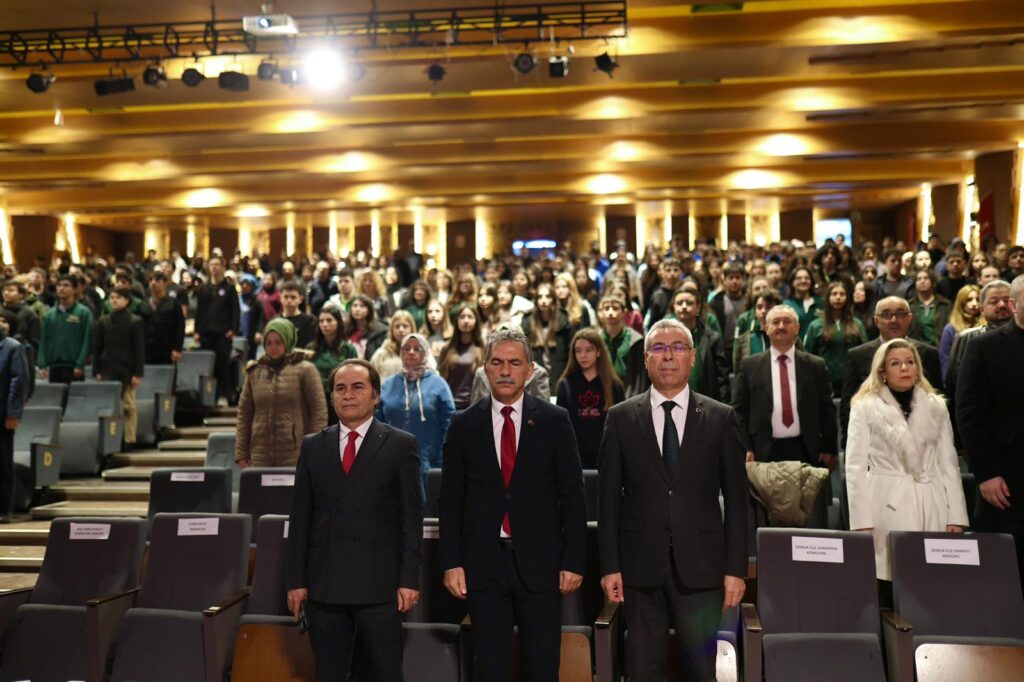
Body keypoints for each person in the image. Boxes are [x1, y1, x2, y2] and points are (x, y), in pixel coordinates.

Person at [598, 318, 747, 681]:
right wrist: (609, 565)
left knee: (699, 669)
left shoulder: (721, 417)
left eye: (678, 347)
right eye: (659, 348)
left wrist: (736, 568)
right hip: (639, 566)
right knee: (642, 668)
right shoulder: (619, 419)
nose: (668, 356)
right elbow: (607, 501)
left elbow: (738, 501)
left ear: (692, 357)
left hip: (702, 568)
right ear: (646, 358)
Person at [439, 326, 586, 682]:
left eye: (514, 363)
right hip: (482, 567)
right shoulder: (462, 424)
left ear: (529, 370)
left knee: (542, 666)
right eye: (497, 363)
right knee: (489, 668)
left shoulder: (555, 420)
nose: (505, 371)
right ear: (485, 369)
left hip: (542, 565)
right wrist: (452, 563)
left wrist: (574, 561)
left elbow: (573, 496)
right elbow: (451, 500)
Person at [286, 359, 423, 682]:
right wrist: (296, 581)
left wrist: (409, 579)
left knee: (385, 673)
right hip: (325, 587)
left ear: (375, 396)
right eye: (340, 388)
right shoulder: (312, 446)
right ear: (332, 396)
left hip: (379, 586)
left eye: (358, 387)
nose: (348, 395)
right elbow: (300, 519)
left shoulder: (401, 445)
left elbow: (410, 521)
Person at [846, 339, 968, 584]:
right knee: (888, 581)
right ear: (882, 371)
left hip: (932, 501)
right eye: (896, 363)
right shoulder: (865, 407)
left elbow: (949, 463)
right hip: (885, 501)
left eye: (910, 362)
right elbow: (855, 467)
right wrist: (861, 522)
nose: (904, 368)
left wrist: (956, 514)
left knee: (931, 582)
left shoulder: (936, 407)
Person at [733, 305, 837, 528]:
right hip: (764, 451)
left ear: (797, 328)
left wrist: (828, 447)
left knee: (807, 518)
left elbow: (827, 410)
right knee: (766, 519)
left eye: (787, 321)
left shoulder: (815, 365)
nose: (781, 326)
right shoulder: (750, 365)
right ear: (766, 328)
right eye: (776, 322)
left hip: (806, 450)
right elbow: (739, 411)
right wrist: (745, 447)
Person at [957, 275, 1024, 585]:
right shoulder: (983, 347)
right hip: (1006, 480)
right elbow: (970, 414)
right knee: (1004, 579)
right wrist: (985, 472)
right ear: (1013, 304)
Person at [841, 296, 943, 446]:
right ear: (876, 321)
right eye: (887, 314)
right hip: (874, 443)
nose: (894, 319)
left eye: (901, 314)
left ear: (909, 319)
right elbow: (848, 405)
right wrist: (850, 442)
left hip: (921, 444)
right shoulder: (858, 355)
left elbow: (936, 398)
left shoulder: (928, 354)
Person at [236, 318, 327, 468]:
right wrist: (241, 453)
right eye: (269, 343)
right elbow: (244, 414)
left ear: (289, 341)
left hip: (296, 454)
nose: (273, 347)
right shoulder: (254, 372)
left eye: (278, 342)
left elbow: (319, 413)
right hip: (259, 455)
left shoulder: (306, 369)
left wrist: (314, 450)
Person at [378, 333, 455, 497]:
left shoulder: (438, 384)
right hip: (392, 460)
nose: (411, 352)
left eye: (417, 348)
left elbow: (450, 425)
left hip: (430, 459)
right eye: (406, 348)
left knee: (428, 512)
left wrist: (446, 459)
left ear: (425, 352)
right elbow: (378, 424)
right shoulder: (388, 385)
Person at [555, 328, 624, 469]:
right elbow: (561, 427)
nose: (583, 355)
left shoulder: (614, 385)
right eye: (578, 351)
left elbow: (622, 427)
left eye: (588, 350)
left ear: (598, 352)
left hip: (607, 457)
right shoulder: (566, 384)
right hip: (575, 457)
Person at [93, 287, 146, 447]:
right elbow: (98, 348)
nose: (114, 300)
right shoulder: (103, 321)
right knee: (110, 407)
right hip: (107, 368)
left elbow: (138, 350)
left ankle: (129, 439)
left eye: (118, 297)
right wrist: (97, 370)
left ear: (126, 300)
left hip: (127, 369)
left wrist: (137, 373)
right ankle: (112, 440)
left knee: (129, 407)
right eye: (112, 297)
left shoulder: (134, 321)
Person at [803, 281, 867, 396]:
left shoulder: (857, 324)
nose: (838, 297)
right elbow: (808, 357)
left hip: (851, 383)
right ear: (827, 297)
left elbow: (865, 355)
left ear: (847, 298)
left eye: (842, 294)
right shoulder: (816, 325)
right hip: (824, 383)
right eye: (834, 294)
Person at [670, 288, 730, 402]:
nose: (683, 306)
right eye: (679, 303)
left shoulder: (712, 338)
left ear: (698, 307)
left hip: (705, 403)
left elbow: (722, 378)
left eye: (689, 303)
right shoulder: (663, 339)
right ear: (673, 307)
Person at [194, 256, 240, 405]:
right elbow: (199, 312)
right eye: (211, 265)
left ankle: (224, 396)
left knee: (223, 365)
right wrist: (197, 331)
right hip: (206, 335)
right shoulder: (204, 289)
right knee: (208, 367)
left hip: (223, 334)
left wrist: (233, 329)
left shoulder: (229, 288)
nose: (214, 268)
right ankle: (208, 397)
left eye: (217, 265)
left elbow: (235, 311)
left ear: (222, 266)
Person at [38, 273, 93, 384]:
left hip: (74, 367)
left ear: (74, 289)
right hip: (54, 366)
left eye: (66, 285)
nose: (61, 288)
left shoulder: (83, 312)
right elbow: (44, 340)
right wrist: (42, 364)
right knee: (56, 401)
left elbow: (87, 340)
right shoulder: (50, 314)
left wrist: (80, 364)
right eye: (59, 285)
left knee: (74, 400)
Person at [521, 283, 573, 395]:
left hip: (559, 372)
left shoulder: (563, 319)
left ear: (553, 299)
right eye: (540, 297)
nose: (543, 301)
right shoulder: (528, 320)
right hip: (535, 374)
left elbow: (570, 351)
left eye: (548, 297)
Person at [310, 304, 358, 424]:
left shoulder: (348, 349)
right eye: (321, 321)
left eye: (329, 320)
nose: (324, 324)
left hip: (340, 400)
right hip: (316, 400)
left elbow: (354, 377)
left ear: (338, 323)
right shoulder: (311, 350)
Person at [0, 323, 27, 523]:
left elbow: (18, 382)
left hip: (2, 415)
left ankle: (5, 509)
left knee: (3, 463)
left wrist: (12, 414)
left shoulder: (12, 347)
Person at [437, 304, 485, 410]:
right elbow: (441, 379)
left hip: (474, 406)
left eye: (470, 317)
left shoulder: (482, 349)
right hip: (450, 405)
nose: (466, 321)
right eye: (462, 317)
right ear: (457, 321)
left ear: (476, 321)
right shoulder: (447, 348)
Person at [598, 294, 648, 397]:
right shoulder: (597, 340)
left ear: (624, 313)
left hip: (628, 393)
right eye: (606, 309)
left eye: (615, 308)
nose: (611, 312)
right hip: (603, 393)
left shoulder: (635, 339)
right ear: (601, 313)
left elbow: (640, 377)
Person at [137, 270, 185, 365]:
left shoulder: (173, 303)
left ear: (165, 283)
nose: (153, 283)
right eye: (151, 280)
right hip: (147, 350)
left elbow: (180, 327)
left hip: (167, 349)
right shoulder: (143, 304)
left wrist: (177, 349)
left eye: (157, 280)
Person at [733, 288, 783, 373]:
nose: (763, 311)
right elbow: (738, 370)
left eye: (769, 307)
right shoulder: (745, 340)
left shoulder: (790, 338)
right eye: (759, 307)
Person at [937, 283, 980, 377]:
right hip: (958, 377)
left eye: (978, 299)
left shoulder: (985, 325)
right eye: (969, 300)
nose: (974, 304)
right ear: (961, 302)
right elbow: (944, 358)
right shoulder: (950, 328)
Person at [708, 261, 747, 360]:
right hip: (724, 352)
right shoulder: (716, 302)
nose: (734, 281)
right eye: (731, 278)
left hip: (745, 349)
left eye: (737, 278)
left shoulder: (749, 301)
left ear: (743, 279)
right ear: (724, 280)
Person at [907, 269, 951, 346]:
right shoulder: (909, 305)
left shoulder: (945, 304)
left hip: (938, 348)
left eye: (926, 278)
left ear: (933, 282)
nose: (922, 281)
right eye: (919, 279)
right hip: (916, 348)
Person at [369, 310, 416, 381]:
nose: (401, 330)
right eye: (397, 326)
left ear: (412, 328)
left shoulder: (420, 351)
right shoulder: (381, 353)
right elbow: (371, 376)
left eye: (405, 326)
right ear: (391, 329)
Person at [346, 294, 388, 360]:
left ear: (369, 310)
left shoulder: (380, 331)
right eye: (355, 306)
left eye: (362, 306)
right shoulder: (345, 329)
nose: (357, 309)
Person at [783, 265, 822, 336]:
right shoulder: (786, 305)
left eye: (807, 278)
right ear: (792, 282)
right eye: (799, 278)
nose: (803, 281)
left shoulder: (821, 302)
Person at [280, 281, 317, 349]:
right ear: (280, 298)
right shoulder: (276, 321)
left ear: (301, 299)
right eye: (286, 297)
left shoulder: (310, 321)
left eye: (293, 297)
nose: (289, 301)